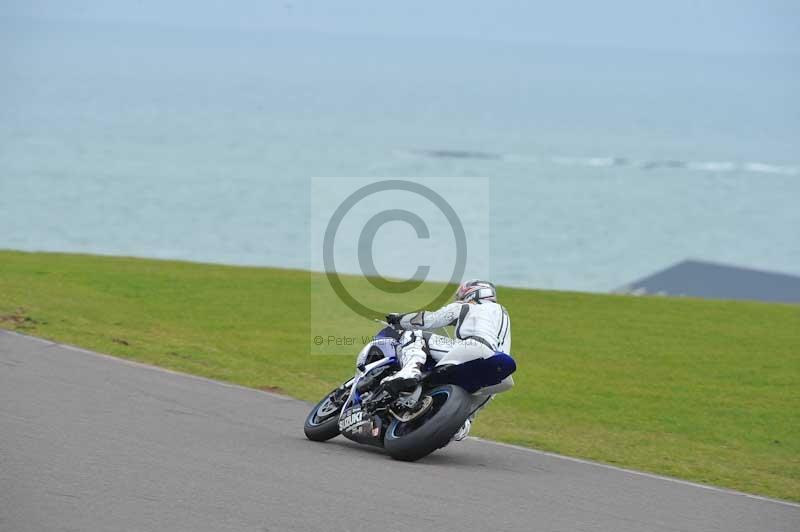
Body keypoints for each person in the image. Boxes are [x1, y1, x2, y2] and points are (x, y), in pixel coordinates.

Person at [380, 279, 514, 440]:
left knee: (414, 335)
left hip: (472, 348)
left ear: (472, 292)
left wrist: (399, 319)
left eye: (461, 295)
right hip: (501, 371)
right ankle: (462, 423)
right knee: (477, 399)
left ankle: (410, 372)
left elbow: (428, 320)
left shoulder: (469, 306)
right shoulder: (503, 317)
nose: (459, 298)